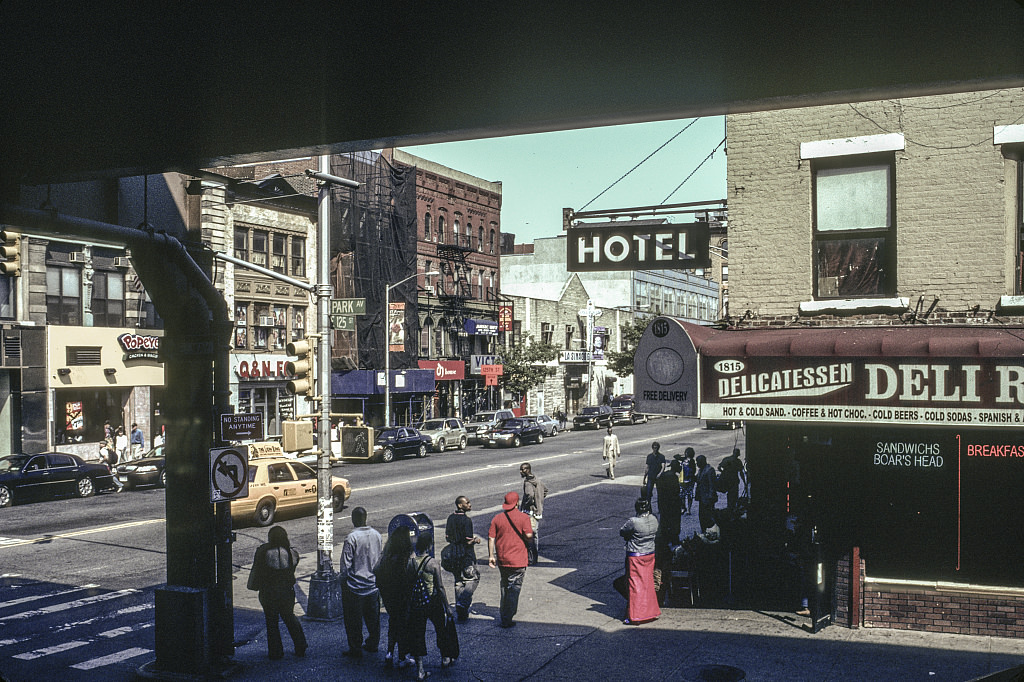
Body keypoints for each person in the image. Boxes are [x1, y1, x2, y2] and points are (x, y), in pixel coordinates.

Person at [248, 526, 307, 660]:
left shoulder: (264, 551)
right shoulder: (292, 553)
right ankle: (301, 645)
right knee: (289, 617)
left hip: (269, 592)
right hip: (287, 591)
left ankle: (276, 652)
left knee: (272, 622)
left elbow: (258, 570)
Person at [406, 532, 454, 679]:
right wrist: (447, 607)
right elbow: (439, 587)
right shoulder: (433, 563)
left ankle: (420, 669)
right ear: (429, 546)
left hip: (418, 603)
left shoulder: (411, 563)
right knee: (440, 629)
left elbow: (408, 585)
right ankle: (445, 657)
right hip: (433, 602)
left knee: (418, 634)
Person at [340, 506, 383, 658]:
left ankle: (355, 647)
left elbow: (346, 565)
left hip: (355, 587)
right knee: (373, 619)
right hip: (372, 585)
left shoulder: (351, 538)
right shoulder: (377, 535)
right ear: (366, 518)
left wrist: (342, 582)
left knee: (353, 621)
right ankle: (373, 644)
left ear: (353, 519)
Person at [488, 491, 534, 628]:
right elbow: (528, 535)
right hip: (518, 560)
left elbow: (491, 538)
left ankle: (504, 613)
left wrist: (491, 555)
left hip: (502, 559)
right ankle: (508, 617)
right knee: (514, 588)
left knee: (504, 586)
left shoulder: (497, 518)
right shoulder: (523, 518)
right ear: (517, 503)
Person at [374, 527, 414, 669]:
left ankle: (389, 652)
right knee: (402, 625)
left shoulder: (386, 556)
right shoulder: (404, 559)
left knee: (393, 623)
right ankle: (402, 656)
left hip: (389, 596)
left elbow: (377, 571)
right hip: (402, 597)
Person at [619, 497, 661, 625]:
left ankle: (635, 615)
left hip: (636, 555)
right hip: (649, 554)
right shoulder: (654, 520)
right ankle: (651, 611)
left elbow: (622, 531)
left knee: (634, 584)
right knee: (647, 583)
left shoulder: (634, 521)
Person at [445, 495, 481, 622]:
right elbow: (467, 541)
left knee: (458, 581)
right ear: (460, 505)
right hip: (466, 556)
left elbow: (448, 537)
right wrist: (475, 540)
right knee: (474, 578)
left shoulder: (450, 518)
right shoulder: (466, 520)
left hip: (453, 555)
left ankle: (461, 614)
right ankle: (463, 603)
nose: (470, 504)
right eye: (467, 503)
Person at [519, 462, 546, 560]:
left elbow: (529, 495)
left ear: (528, 470)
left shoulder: (527, 483)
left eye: (523, 469)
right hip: (537, 511)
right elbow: (545, 490)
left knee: (530, 533)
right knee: (535, 533)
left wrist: (527, 504)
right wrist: (539, 501)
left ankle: (532, 557)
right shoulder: (537, 480)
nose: (521, 471)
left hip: (529, 511)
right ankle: (534, 554)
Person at [655, 460, 682, 545]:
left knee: (665, 522)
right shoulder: (673, 477)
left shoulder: (664, 475)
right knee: (674, 523)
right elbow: (676, 491)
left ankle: (665, 539)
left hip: (663, 504)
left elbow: (659, 489)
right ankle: (674, 540)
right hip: (672, 504)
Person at [695, 454, 719, 532]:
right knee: (702, 516)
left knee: (709, 517)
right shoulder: (700, 470)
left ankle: (710, 531)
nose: (697, 464)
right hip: (702, 497)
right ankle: (704, 530)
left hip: (708, 498)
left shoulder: (710, 470)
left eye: (698, 462)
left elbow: (712, 485)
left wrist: (710, 498)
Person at [680, 448, 697, 515]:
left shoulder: (692, 461)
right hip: (684, 479)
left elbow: (693, 470)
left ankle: (688, 509)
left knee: (688, 495)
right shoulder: (684, 460)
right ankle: (684, 507)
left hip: (689, 479)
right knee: (683, 495)